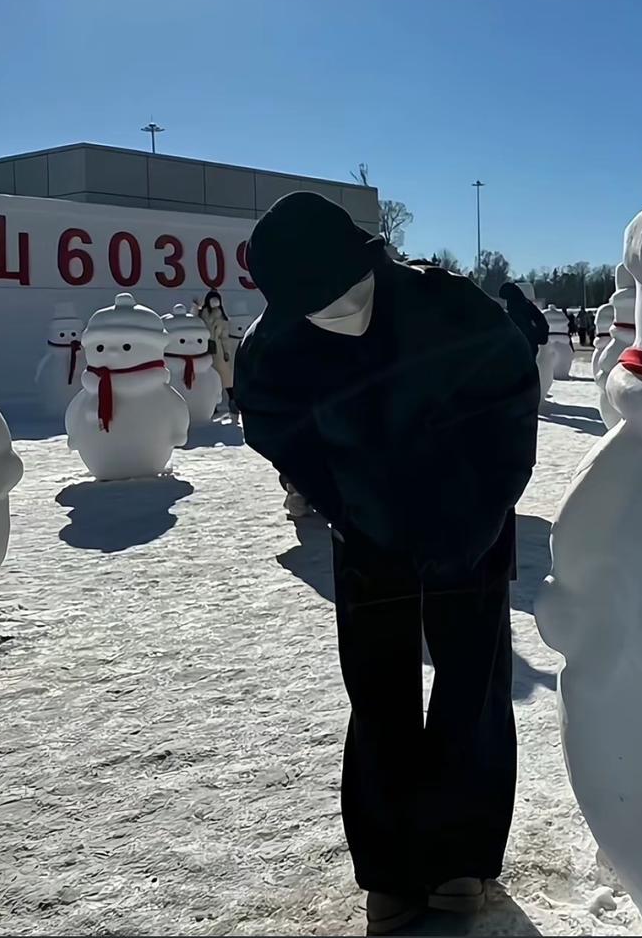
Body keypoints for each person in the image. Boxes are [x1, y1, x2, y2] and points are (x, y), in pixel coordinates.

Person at [234, 192, 539, 936]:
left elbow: (511, 402)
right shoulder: (274, 343)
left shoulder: (451, 305)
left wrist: (482, 509)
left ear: (369, 262)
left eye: (344, 295)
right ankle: (392, 869)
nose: (335, 312)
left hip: (470, 524)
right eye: (313, 306)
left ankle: (462, 858)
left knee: (471, 686)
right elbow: (272, 424)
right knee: (380, 699)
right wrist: (346, 501)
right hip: (369, 540)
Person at [196, 289, 237, 421]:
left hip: (218, 349)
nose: (215, 302)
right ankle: (212, 406)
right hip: (205, 348)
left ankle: (233, 401)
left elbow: (225, 337)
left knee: (225, 378)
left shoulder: (222, 318)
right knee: (209, 379)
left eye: (217, 299)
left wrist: (226, 352)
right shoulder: (203, 314)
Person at [498, 282, 548, 360]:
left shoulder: (515, 308)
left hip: (521, 345)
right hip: (528, 344)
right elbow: (541, 320)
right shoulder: (527, 304)